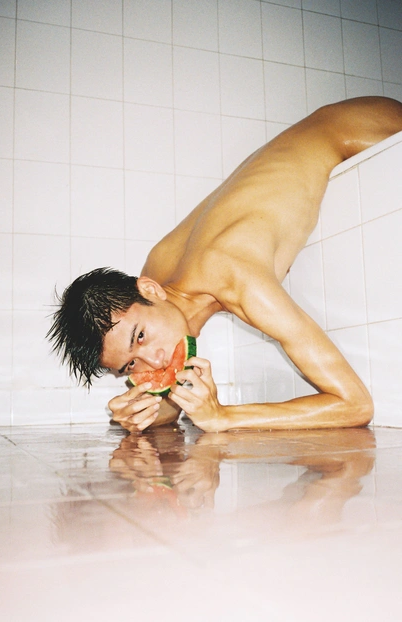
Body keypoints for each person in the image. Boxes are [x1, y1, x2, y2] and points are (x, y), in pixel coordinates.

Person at [48, 96, 402, 434]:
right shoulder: (158, 281)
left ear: (150, 290)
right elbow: (174, 396)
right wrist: (142, 415)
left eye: (140, 336)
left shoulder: (234, 276)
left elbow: (355, 405)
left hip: (353, 128)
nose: (154, 362)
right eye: (130, 365)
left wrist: (224, 416)